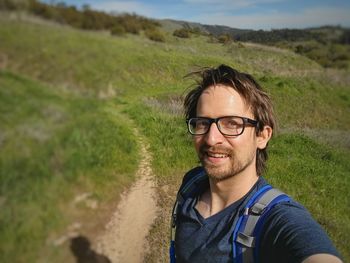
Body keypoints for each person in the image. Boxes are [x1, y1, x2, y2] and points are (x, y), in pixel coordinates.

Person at [172, 65, 342, 263]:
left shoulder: (276, 219)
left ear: (262, 136)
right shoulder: (192, 182)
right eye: (203, 122)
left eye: (232, 124)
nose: (211, 139)